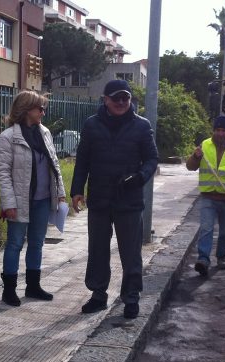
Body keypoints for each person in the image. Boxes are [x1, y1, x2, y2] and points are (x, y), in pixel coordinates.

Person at [70, 80, 158, 319]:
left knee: (130, 252)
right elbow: (83, 160)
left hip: (128, 199)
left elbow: (152, 159)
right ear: (105, 99)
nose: (121, 102)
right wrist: (76, 189)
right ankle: (98, 294)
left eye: (125, 98)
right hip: (99, 198)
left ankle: (131, 297)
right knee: (97, 249)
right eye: (116, 98)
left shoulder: (141, 126)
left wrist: (139, 177)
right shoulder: (92, 125)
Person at [0, 91, 66, 306]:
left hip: (43, 199)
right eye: (40, 109)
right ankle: (9, 290)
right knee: (15, 244)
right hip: (19, 201)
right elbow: (3, 174)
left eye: (43, 108)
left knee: (37, 243)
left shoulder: (44, 133)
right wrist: (8, 204)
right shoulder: (8, 137)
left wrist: (60, 192)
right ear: (26, 110)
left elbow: (55, 165)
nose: (43, 112)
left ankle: (33, 286)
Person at [186, 116, 225, 277]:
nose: (220, 133)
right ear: (214, 131)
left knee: (224, 231)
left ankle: (221, 257)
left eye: (224, 131)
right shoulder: (205, 145)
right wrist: (196, 156)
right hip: (208, 197)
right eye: (218, 130)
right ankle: (203, 260)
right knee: (206, 228)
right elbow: (190, 167)